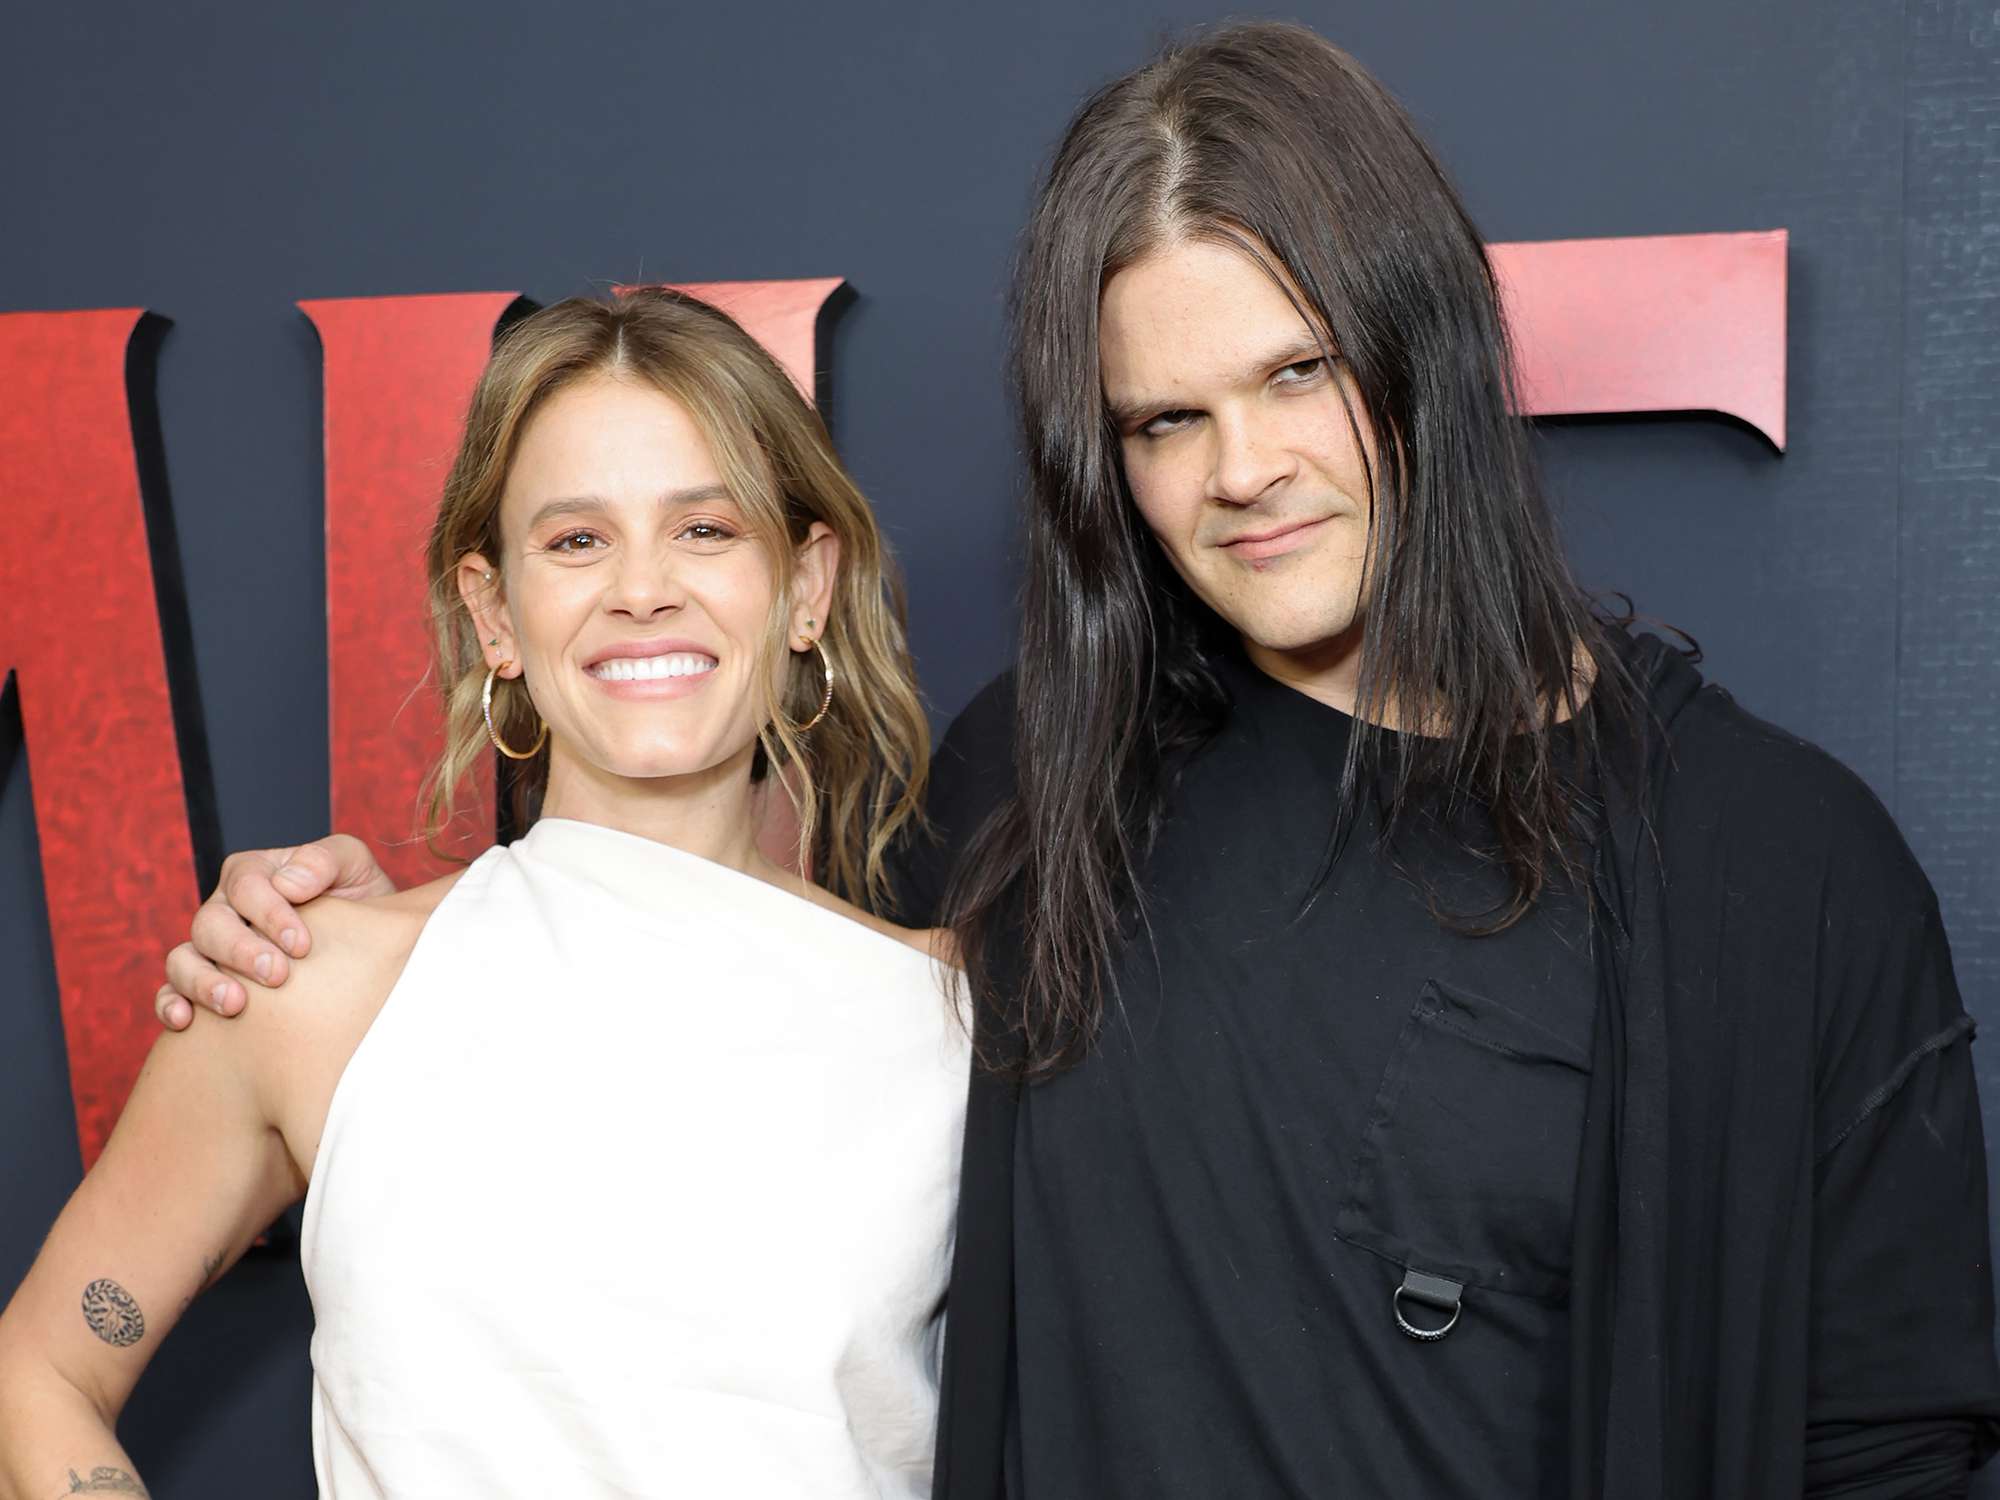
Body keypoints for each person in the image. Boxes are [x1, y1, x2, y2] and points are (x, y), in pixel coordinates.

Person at [153, 22, 2000, 1500]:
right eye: (1166, 420)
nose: (1241, 469)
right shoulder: (1031, 786)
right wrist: (350, 941)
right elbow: (675, 1011)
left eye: (1298, 376)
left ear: (1427, 351)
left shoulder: (1783, 874)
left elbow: (1891, 1445)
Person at [0, 289, 968, 1499]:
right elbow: (35, 1372)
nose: (641, 589)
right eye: (575, 541)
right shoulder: (316, 987)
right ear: (494, 613)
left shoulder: (950, 1021)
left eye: (706, 529)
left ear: (807, 586)